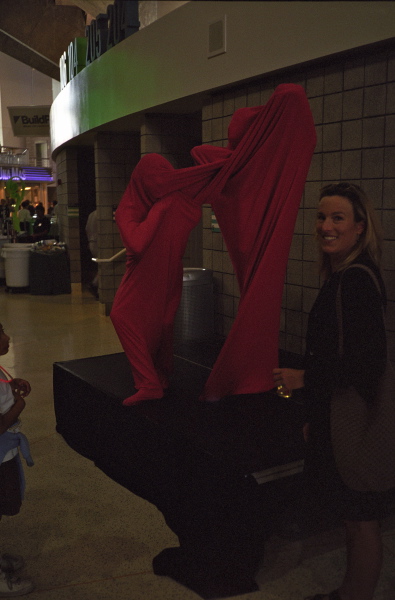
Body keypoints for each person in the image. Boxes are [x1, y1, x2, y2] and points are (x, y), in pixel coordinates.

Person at [273, 183, 391, 600]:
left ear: (359, 227)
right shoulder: (345, 275)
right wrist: (316, 418)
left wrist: (305, 379)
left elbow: (366, 363)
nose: (325, 226)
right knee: (352, 517)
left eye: (337, 218)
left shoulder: (353, 282)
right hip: (341, 418)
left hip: (355, 422)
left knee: (362, 521)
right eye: (321, 217)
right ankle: (348, 591)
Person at [0, 323, 34, 596]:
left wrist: (10, 386)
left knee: (4, 504)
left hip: (4, 454)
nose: (7, 337)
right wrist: (19, 404)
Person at [85, 209, 98, 296]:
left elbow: (86, 229)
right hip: (99, 243)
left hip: (91, 242)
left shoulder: (91, 214)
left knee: (100, 265)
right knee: (103, 266)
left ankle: (95, 284)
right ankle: (94, 284)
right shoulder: (102, 214)